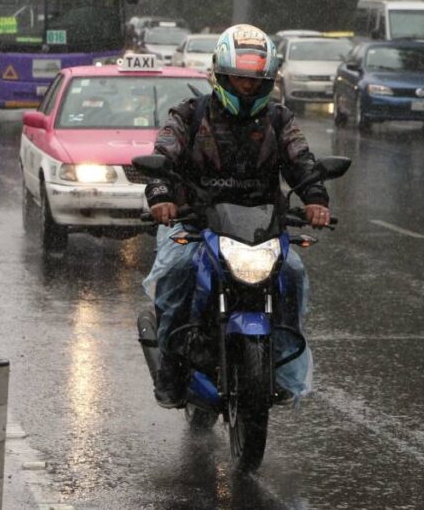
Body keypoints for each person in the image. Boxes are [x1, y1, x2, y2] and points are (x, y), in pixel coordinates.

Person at [142, 24, 332, 408]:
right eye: (239, 79)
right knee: (177, 273)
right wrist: (162, 196)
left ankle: (281, 360)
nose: (247, 88)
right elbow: (163, 156)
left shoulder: (279, 120)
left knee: (292, 274)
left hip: (263, 230)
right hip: (196, 224)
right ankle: (171, 367)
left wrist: (316, 198)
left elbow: (302, 161)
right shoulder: (190, 115)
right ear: (220, 75)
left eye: (255, 81)